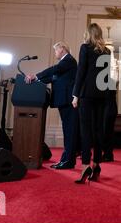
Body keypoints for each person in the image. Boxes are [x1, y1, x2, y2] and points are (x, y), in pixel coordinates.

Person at [26, 42, 80, 170]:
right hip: (64, 100)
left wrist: (36, 75)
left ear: (62, 49)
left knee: (70, 131)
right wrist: (37, 80)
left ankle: (68, 161)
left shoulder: (68, 60)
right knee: (67, 131)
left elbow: (54, 70)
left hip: (68, 101)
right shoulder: (65, 64)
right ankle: (65, 159)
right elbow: (53, 77)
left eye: (56, 50)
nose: (55, 53)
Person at [72, 23, 111, 184]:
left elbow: (81, 72)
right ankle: (97, 165)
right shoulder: (107, 51)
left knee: (86, 130)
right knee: (98, 130)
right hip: (102, 95)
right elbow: (107, 76)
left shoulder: (85, 48)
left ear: (88, 34)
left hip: (87, 94)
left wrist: (75, 95)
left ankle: (86, 165)